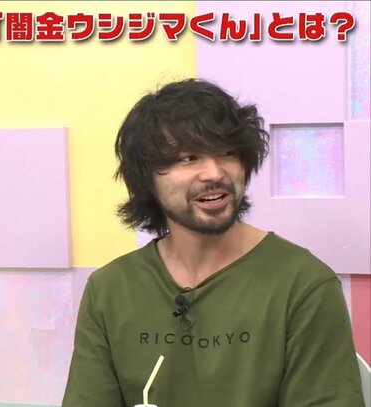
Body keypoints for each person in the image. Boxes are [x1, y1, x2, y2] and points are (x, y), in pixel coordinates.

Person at [63, 79, 364, 406]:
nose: (214, 173)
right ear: (146, 177)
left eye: (227, 153)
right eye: (188, 157)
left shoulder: (303, 285)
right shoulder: (110, 290)